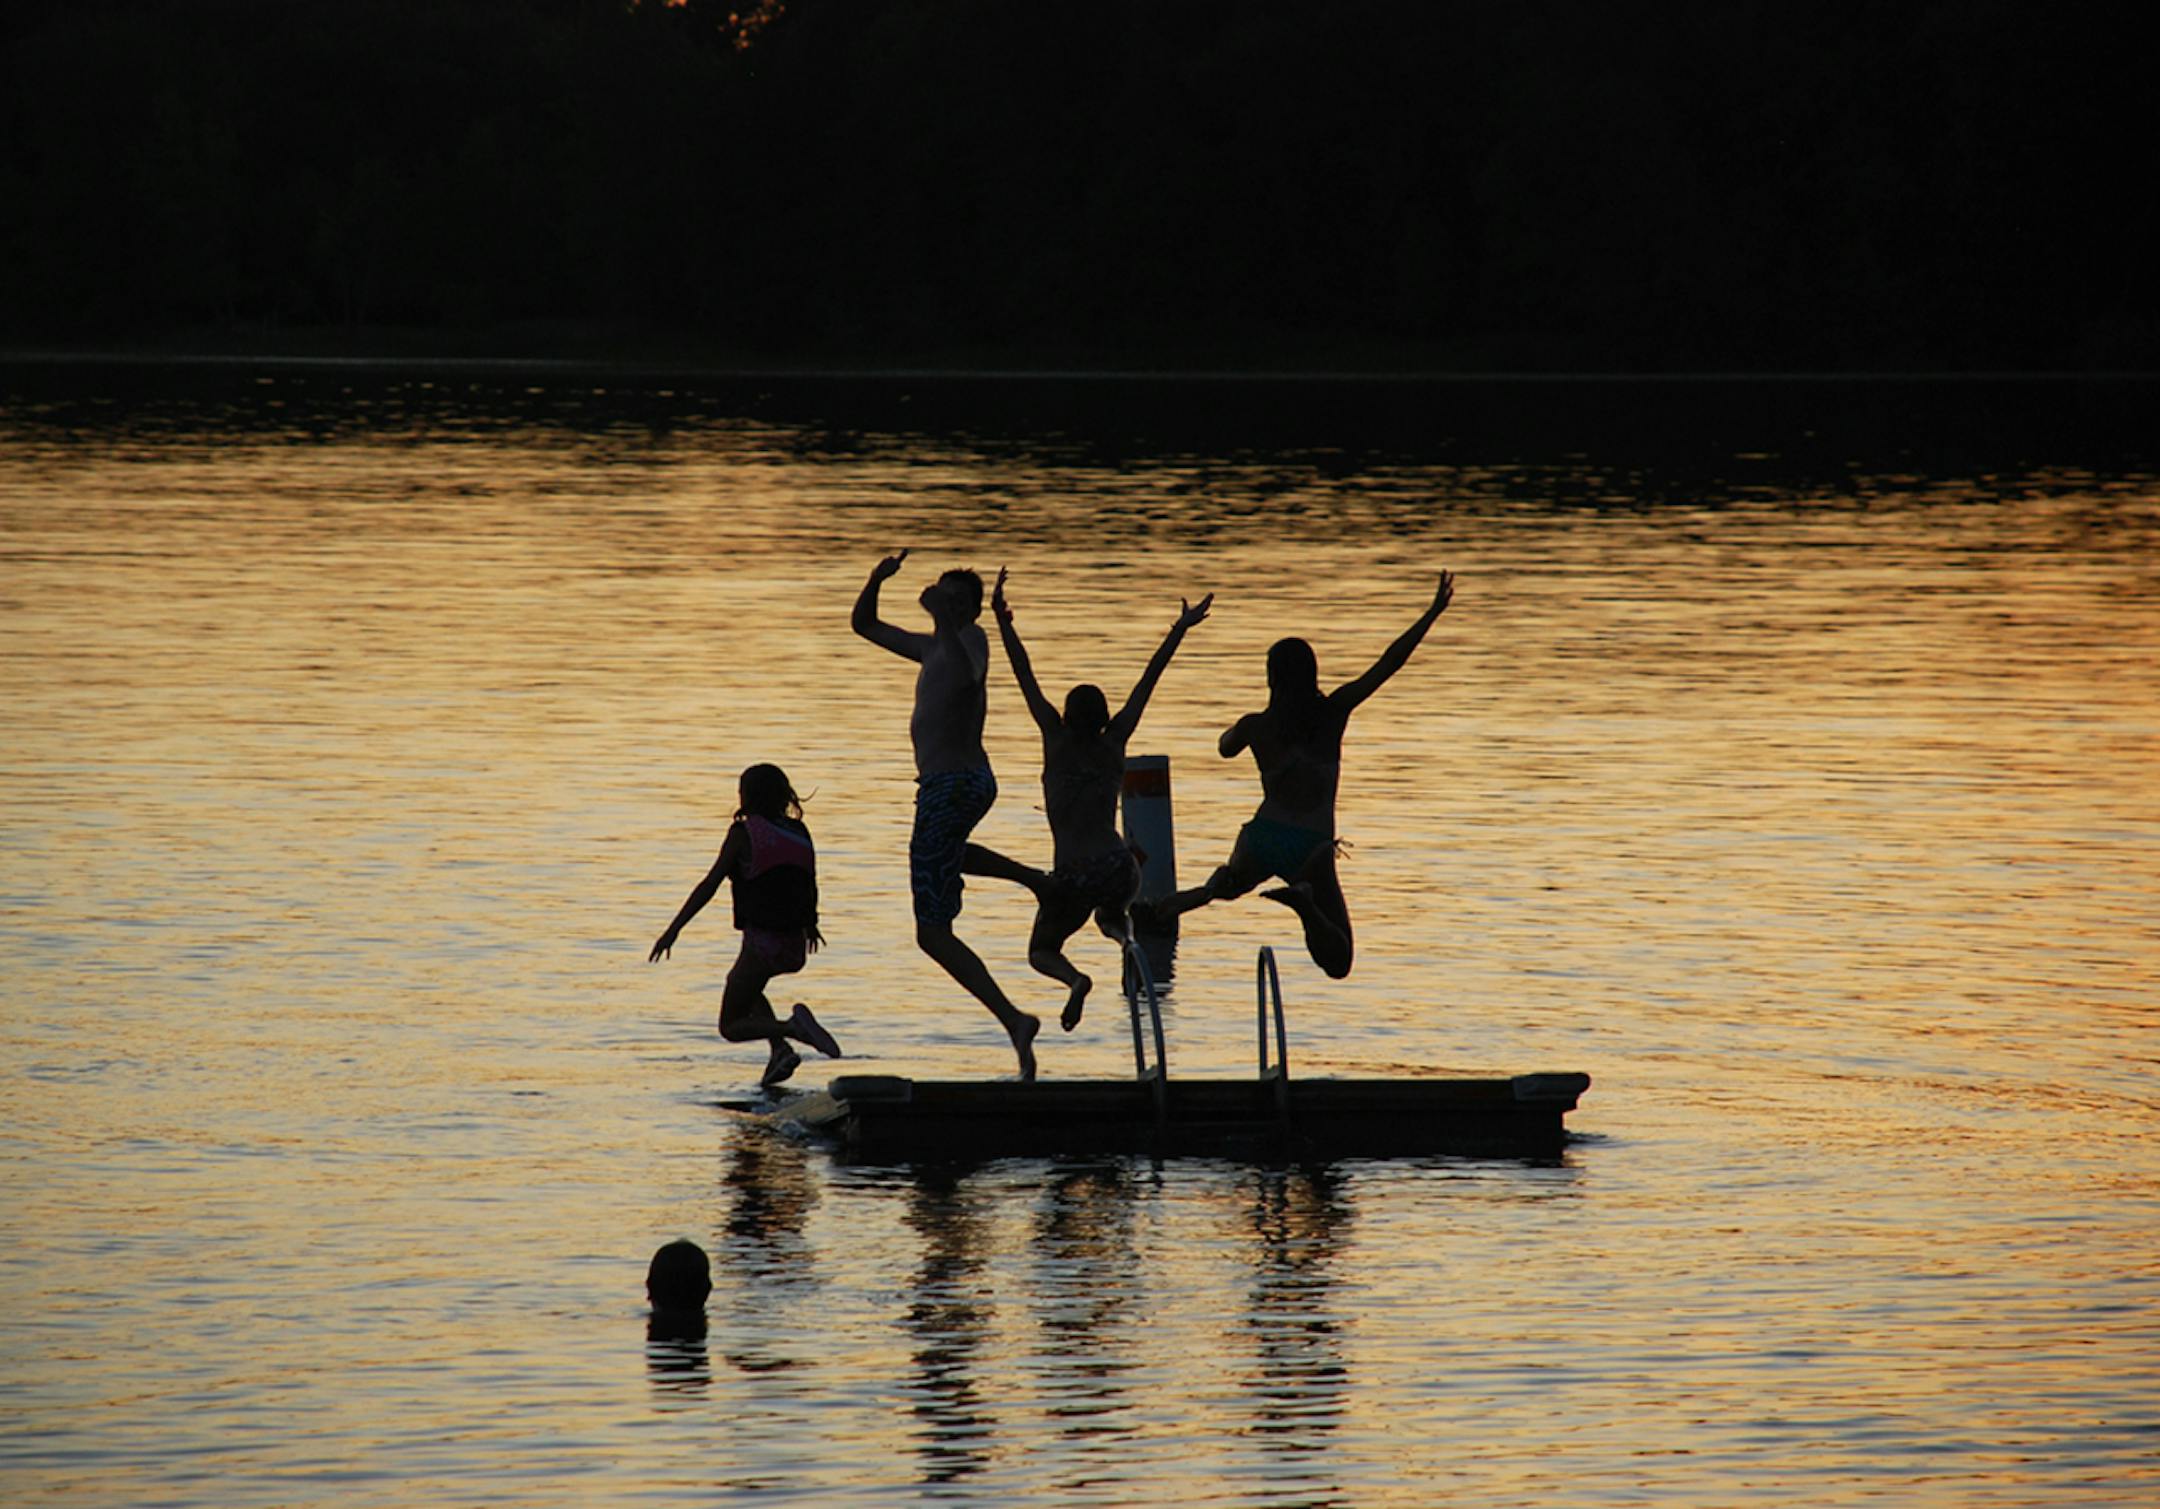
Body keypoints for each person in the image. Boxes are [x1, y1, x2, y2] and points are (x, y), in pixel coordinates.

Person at [1149, 571, 1456, 978]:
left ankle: (1168, 906)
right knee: (1339, 961)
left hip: (1262, 836)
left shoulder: (1257, 725)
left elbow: (1224, 749)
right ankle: (1305, 905)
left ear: (1271, 678)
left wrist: (1238, 729)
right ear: (1312, 673)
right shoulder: (1333, 712)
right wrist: (1431, 613)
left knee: (1223, 889)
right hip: (1310, 846)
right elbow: (1388, 664)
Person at [964, 569, 1211, 1031]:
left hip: (1072, 874)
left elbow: (1024, 674)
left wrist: (1002, 621)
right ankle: (1124, 941)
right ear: (1102, 716)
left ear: (1065, 714)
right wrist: (1179, 629)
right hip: (1120, 867)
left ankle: (1076, 980)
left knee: (1042, 950)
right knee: (1110, 911)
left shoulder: (1053, 738)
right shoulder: (1116, 740)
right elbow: (1148, 681)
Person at [852, 550, 1040, 1079]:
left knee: (931, 933)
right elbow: (863, 625)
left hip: (954, 785)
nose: (950, 608)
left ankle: (1013, 1019)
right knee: (948, 860)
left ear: (973, 612)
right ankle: (1033, 881)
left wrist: (941, 618)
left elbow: (965, 677)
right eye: (945, 598)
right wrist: (877, 579)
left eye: (960, 603)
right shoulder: (930, 646)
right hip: (946, 788)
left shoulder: (970, 644)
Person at [649, 762, 842, 1088]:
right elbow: (808, 880)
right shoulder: (799, 831)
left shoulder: (744, 834)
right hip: (794, 945)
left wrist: (674, 930)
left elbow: (709, 885)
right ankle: (779, 1051)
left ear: (747, 797)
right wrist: (812, 924)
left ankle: (791, 1029)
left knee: (731, 1026)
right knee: (749, 987)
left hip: (762, 945)